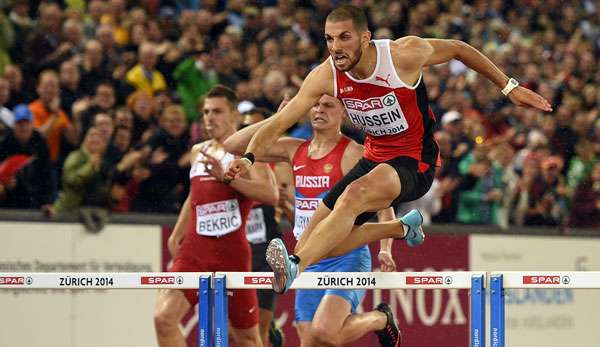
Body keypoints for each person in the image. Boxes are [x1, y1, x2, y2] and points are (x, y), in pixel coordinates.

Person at [225, 5, 553, 295]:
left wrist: (509, 87)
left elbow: (457, 48)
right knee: (316, 240)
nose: (335, 48)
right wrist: (248, 156)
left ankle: (294, 266)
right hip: (375, 156)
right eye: (329, 39)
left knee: (351, 199)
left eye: (344, 38)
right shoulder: (326, 74)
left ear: (365, 37)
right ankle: (400, 226)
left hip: (415, 160)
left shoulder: (401, 55)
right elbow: (281, 121)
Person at [225, 95, 401, 347]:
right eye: (315, 105)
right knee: (310, 341)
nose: (319, 110)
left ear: (344, 112)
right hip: (307, 258)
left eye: (328, 105)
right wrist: (279, 119)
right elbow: (234, 145)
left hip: (346, 257)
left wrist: (385, 248)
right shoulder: (294, 149)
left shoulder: (353, 153)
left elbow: (385, 204)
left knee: (325, 334)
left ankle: (380, 319)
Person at [153, 85, 278, 347]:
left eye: (218, 111)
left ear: (234, 115)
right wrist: (177, 234)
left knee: (247, 340)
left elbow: (270, 194)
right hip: (194, 252)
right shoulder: (198, 151)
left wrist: (227, 179)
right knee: (163, 318)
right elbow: (194, 195)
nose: (210, 117)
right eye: (206, 112)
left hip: (231, 254)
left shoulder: (248, 152)